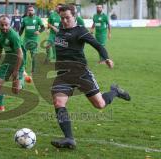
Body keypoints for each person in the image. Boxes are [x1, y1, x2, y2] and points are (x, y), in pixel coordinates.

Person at [50, 5, 131, 149]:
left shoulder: (80, 31)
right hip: (63, 75)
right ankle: (69, 139)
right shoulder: (61, 29)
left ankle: (115, 92)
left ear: (74, 16)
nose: (64, 21)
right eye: (62, 18)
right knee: (58, 102)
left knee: (99, 104)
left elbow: (98, 45)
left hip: (81, 73)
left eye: (67, 17)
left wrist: (106, 58)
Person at [0, 15, 24, 113]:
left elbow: (20, 54)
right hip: (7, 61)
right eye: (2, 25)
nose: (4, 27)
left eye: (6, 25)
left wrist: (16, 71)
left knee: (15, 91)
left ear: (10, 24)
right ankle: (1, 107)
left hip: (18, 61)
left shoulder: (14, 36)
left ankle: (21, 81)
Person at [19, 5, 45, 76]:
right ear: (27, 11)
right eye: (29, 10)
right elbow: (21, 29)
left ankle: (33, 71)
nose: (30, 11)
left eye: (31, 10)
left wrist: (39, 31)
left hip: (34, 40)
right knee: (23, 55)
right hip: (26, 40)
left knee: (33, 55)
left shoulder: (37, 19)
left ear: (34, 11)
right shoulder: (25, 19)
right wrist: (18, 36)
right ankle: (22, 69)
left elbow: (43, 27)